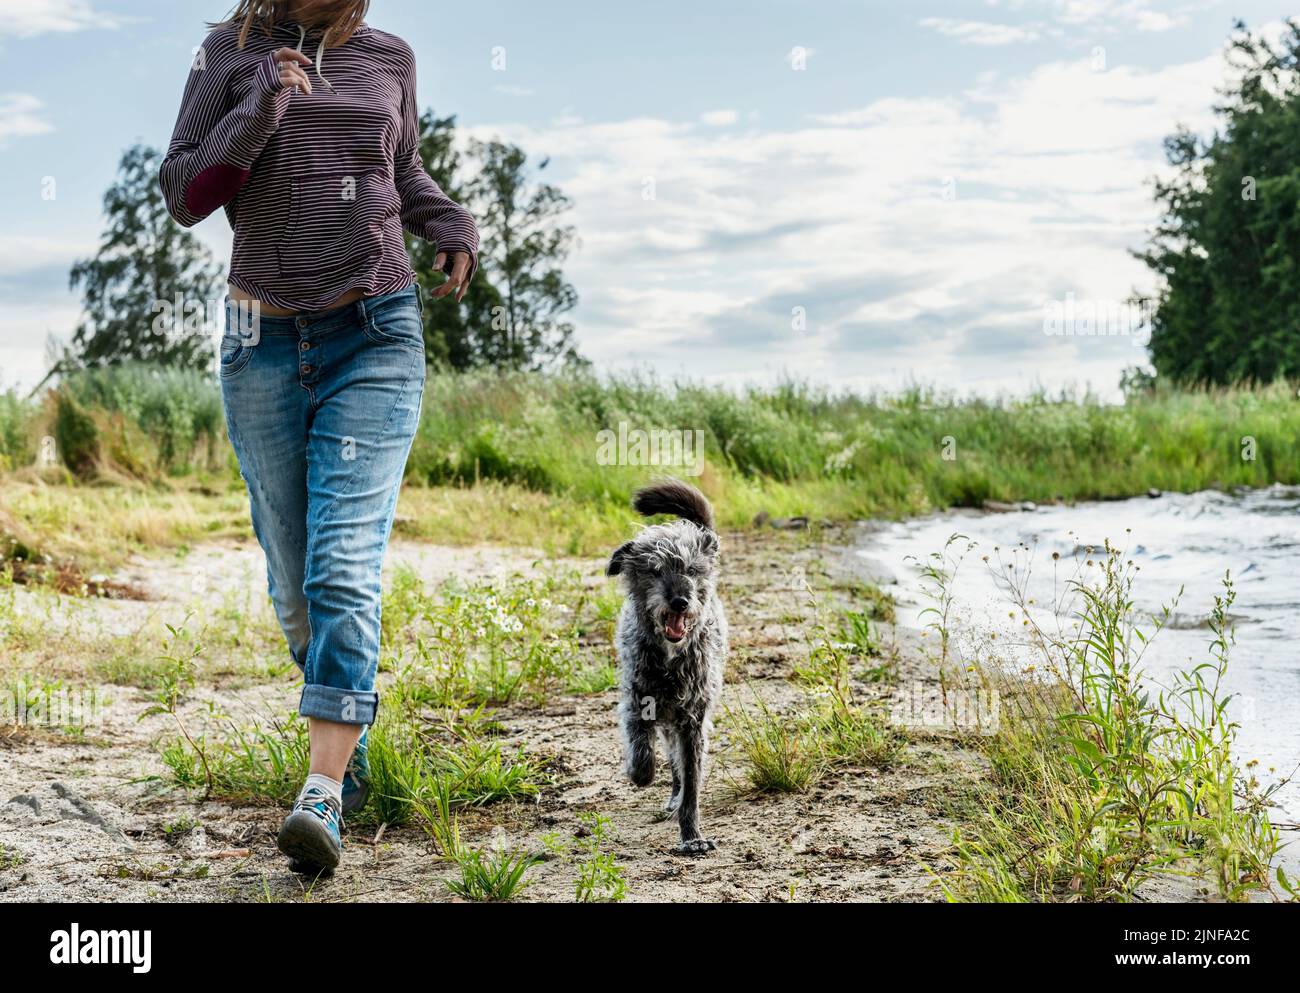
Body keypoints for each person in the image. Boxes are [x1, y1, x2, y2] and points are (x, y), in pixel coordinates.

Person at [159, 0, 478, 871]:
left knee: (342, 563)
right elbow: (182, 191)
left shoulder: (388, 56)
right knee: (298, 589)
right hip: (259, 341)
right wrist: (256, 106)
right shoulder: (225, 51)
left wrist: (446, 216)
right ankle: (354, 754)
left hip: (374, 331)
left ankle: (323, 792)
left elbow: (401, 172)